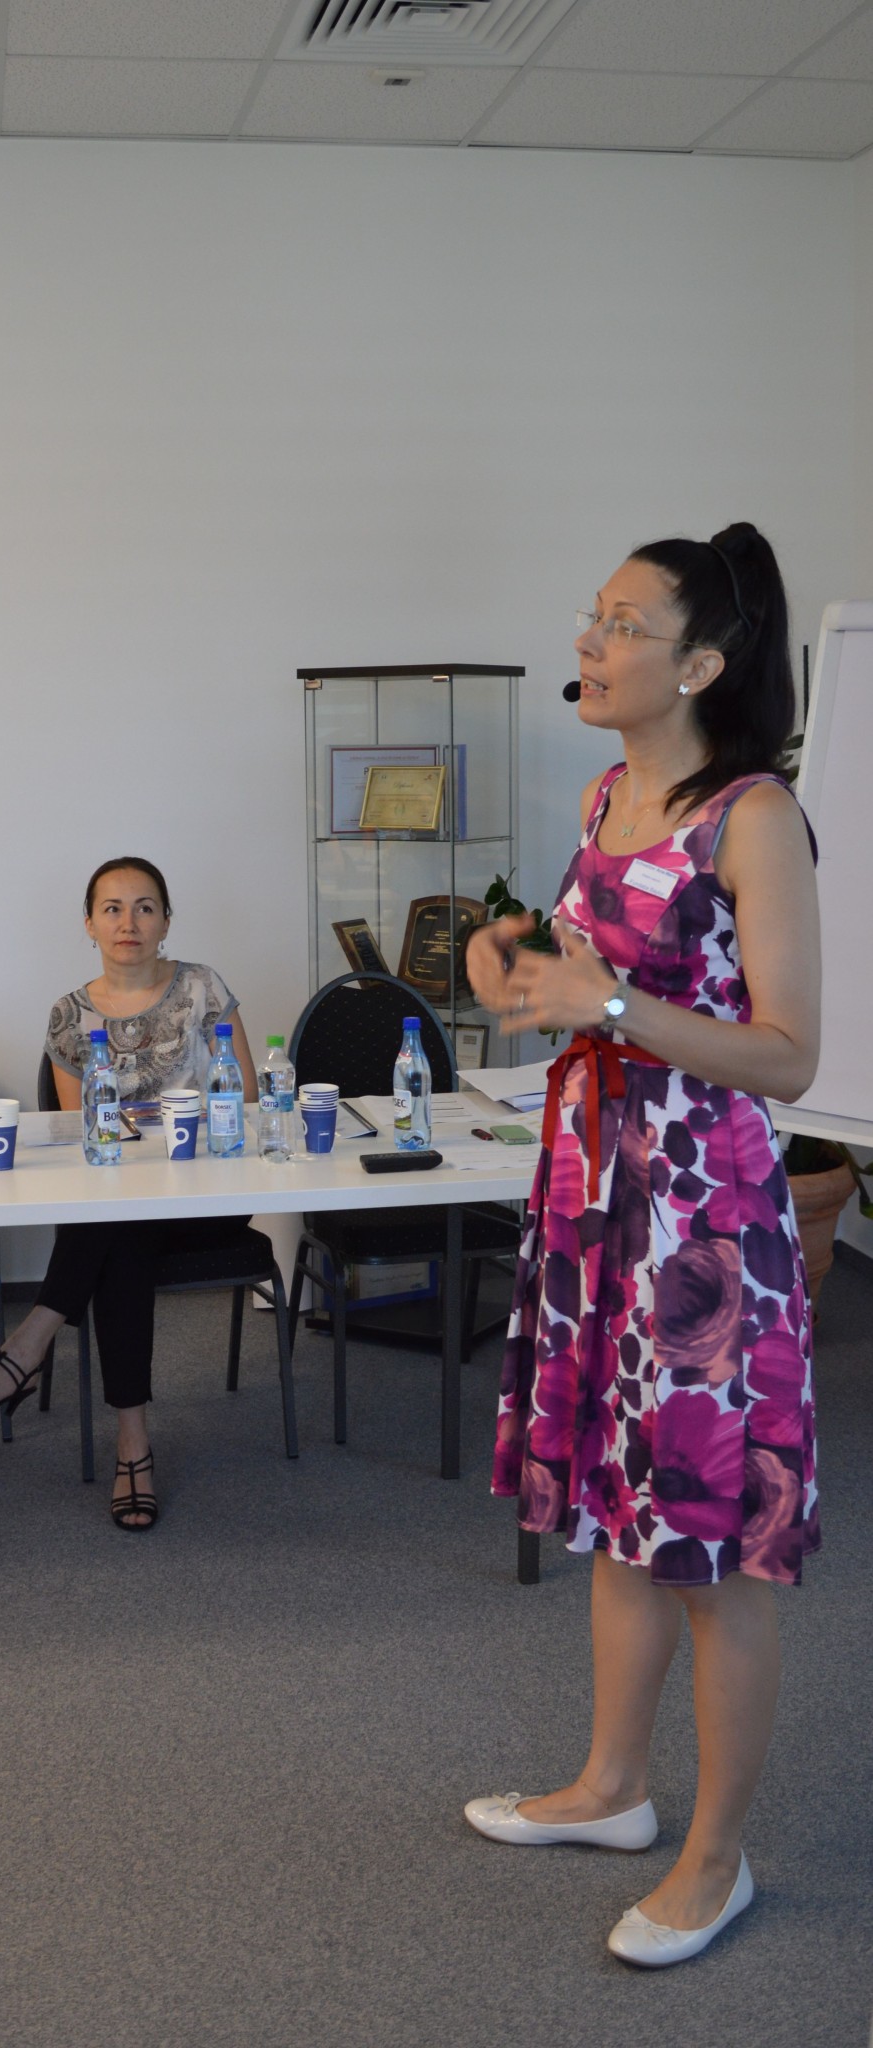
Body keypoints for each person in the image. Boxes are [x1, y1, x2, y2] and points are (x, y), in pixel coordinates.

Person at [461, 524, 820, 1967]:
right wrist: (516, 966)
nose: (587, 642)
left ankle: (716, 1859)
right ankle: (612, 1787)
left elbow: (787, 1054)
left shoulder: (753, 817)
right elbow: (581, 971)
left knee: (714, 1551)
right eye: (591, 616)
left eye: (619, 623)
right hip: (593, 1200)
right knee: (619, 1514)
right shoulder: (610, 791)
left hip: (700, 1231)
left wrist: (602, 1006)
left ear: (701, 664)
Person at [0, 857, 257, 1531]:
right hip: (123, 1206)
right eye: (112, 908)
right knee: (122, 1234)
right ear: (89, 924)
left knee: (114, 1225)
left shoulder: (202, 987)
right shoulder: (69, 1014)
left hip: (208, 1195)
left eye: (144, 907)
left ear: (166, 920)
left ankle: (28, 1347)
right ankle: (132, 1445)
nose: (128, 922)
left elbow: (248, 1104)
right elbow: (82, 1135)